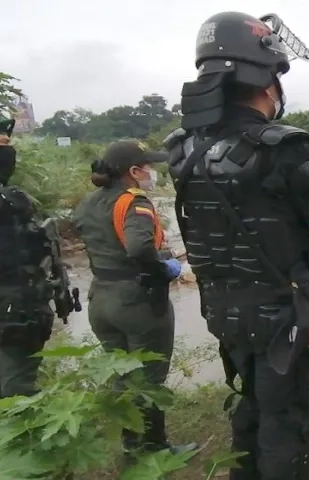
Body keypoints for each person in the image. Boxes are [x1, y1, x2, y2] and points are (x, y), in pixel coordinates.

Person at [165, 12, 309, 480]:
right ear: (266, 83)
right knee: (288, 421)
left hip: (223, 311)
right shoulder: (286, 147)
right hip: (285, 316)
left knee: (252, 406)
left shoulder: (180, 149)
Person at [72, 140, 196, 462]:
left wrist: (159, 255)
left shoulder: (87, 203)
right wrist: (164, 267)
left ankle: (130, 444)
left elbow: (103, 244)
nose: (153, 173)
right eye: (149, 167)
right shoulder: (135, 202)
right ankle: (154, 448)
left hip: (101, 299)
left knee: (123, 374)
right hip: (138, 302)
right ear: (134, 172)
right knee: (150, 377)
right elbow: (139, 248)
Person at [0, 124, 75, 399]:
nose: (7, 148)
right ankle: (22, 439)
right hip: (14, 314)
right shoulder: (10, 202)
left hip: (18, 310)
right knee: (16, 393)